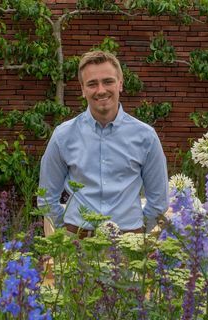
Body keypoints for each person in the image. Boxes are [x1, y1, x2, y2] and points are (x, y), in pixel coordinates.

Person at [37, 50, 169, 237]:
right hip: (78, 244)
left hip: (129, 247)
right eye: (92, 84)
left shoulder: (146, 137)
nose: (101, 90)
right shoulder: (63, 136)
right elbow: (46, 197)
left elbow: (159, 201)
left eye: (108, 81)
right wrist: (65, 235)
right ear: (83, 89)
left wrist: (137, 236)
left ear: (120, 84)